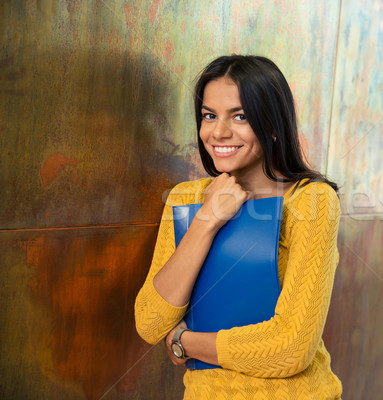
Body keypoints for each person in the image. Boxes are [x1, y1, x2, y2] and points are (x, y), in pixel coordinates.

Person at [134, 55, 342, 399]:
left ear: (272, 124)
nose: (218, 132)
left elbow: (291, 348)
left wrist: (185, 343)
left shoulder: (311, 201)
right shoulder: (186, 198)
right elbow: (150, 322)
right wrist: (207, 219)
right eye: (209, 116)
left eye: (240, 116)